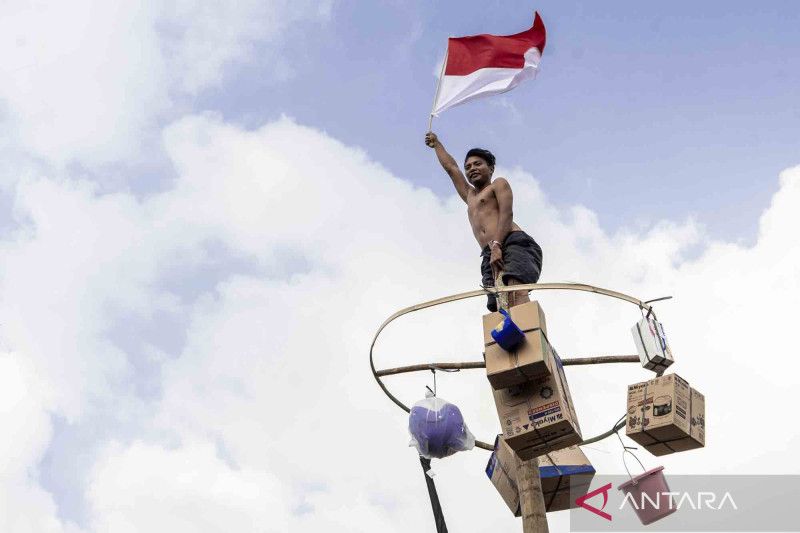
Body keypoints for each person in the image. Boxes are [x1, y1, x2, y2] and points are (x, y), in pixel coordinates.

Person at [425, 131, 542, 311]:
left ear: (491, 168)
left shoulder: (498, 184)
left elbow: (506, 214)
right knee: (498, 303)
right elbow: (451, 168)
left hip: (512, 242)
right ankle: (509, 335)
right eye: (468, 166)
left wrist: (497, 245)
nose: (472, 168)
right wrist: (437, 144)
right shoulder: (470, 195)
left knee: (514, 289)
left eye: (478, 164)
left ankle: (529, 330)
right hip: (489, 253)